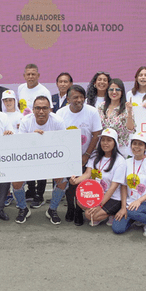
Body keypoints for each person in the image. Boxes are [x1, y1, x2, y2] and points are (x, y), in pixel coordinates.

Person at [12, 96, 66, 224]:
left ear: (50, 109)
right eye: (38, 108)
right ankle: (23, 208)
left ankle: (52, 209)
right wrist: (33, 138)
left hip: (52, 158)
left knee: (62, 181)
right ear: (33, 109)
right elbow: (21, 145)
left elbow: (63, 144)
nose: (41, 111)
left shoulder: (58, 121)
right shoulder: (26, 121)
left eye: (44, 108)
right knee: (16, 182)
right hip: (29, 159)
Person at [56, 85, 102, 225]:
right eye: (75, 97)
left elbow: (96, 135)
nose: (79, 100)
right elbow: (58, 137)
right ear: (68, 99)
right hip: (68, 156)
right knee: (70, 184)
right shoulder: (60, 113)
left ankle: (78, 210)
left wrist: (87, 155)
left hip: (88, 154)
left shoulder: (92, 112)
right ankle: (70, 207)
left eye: (82, 97)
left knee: (82, 183)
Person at [69, 128, 127, 228]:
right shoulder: (95, 155)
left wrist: (99, 206)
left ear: (115, 143)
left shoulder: (120, 161)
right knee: (79, 201)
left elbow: (113, 187)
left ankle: (110, 214)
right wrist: (75, 181)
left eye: (109, 140)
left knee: (88, 214)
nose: (105, 143)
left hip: (113, 197)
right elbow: (87, 174)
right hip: (98, 194)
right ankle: (98, 214)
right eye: (103, 140)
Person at [112, 132, 146, 237]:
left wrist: (139, 201)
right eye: (134, 143)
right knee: (117, 228)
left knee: (132, 211)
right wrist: (123, 206)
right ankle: (137, 218)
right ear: (131, 146)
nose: (137, 147)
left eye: (140, 144)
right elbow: (124, 186)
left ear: (145, 147)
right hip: (130, 203)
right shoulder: (127, 162)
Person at [17, 64, 52, 203]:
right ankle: (30, 190)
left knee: (42, 165)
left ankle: (40, 194)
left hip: (42, 132)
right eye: (28, 74)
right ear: (24, 76)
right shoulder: (20, 88)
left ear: (38, 75)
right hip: (26, 130)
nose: (30, 77)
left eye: (33, 74)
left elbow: (49, 112)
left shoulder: (44, 91)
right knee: (29, 161)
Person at [98, 78, 135, 154]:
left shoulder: (126, 107)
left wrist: (129, 112)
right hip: (104, 148)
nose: (114, 92)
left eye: (117, 89)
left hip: (120, 149)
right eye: (111, 89)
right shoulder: (101, 106)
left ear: (122, 92)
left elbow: (130, 129)